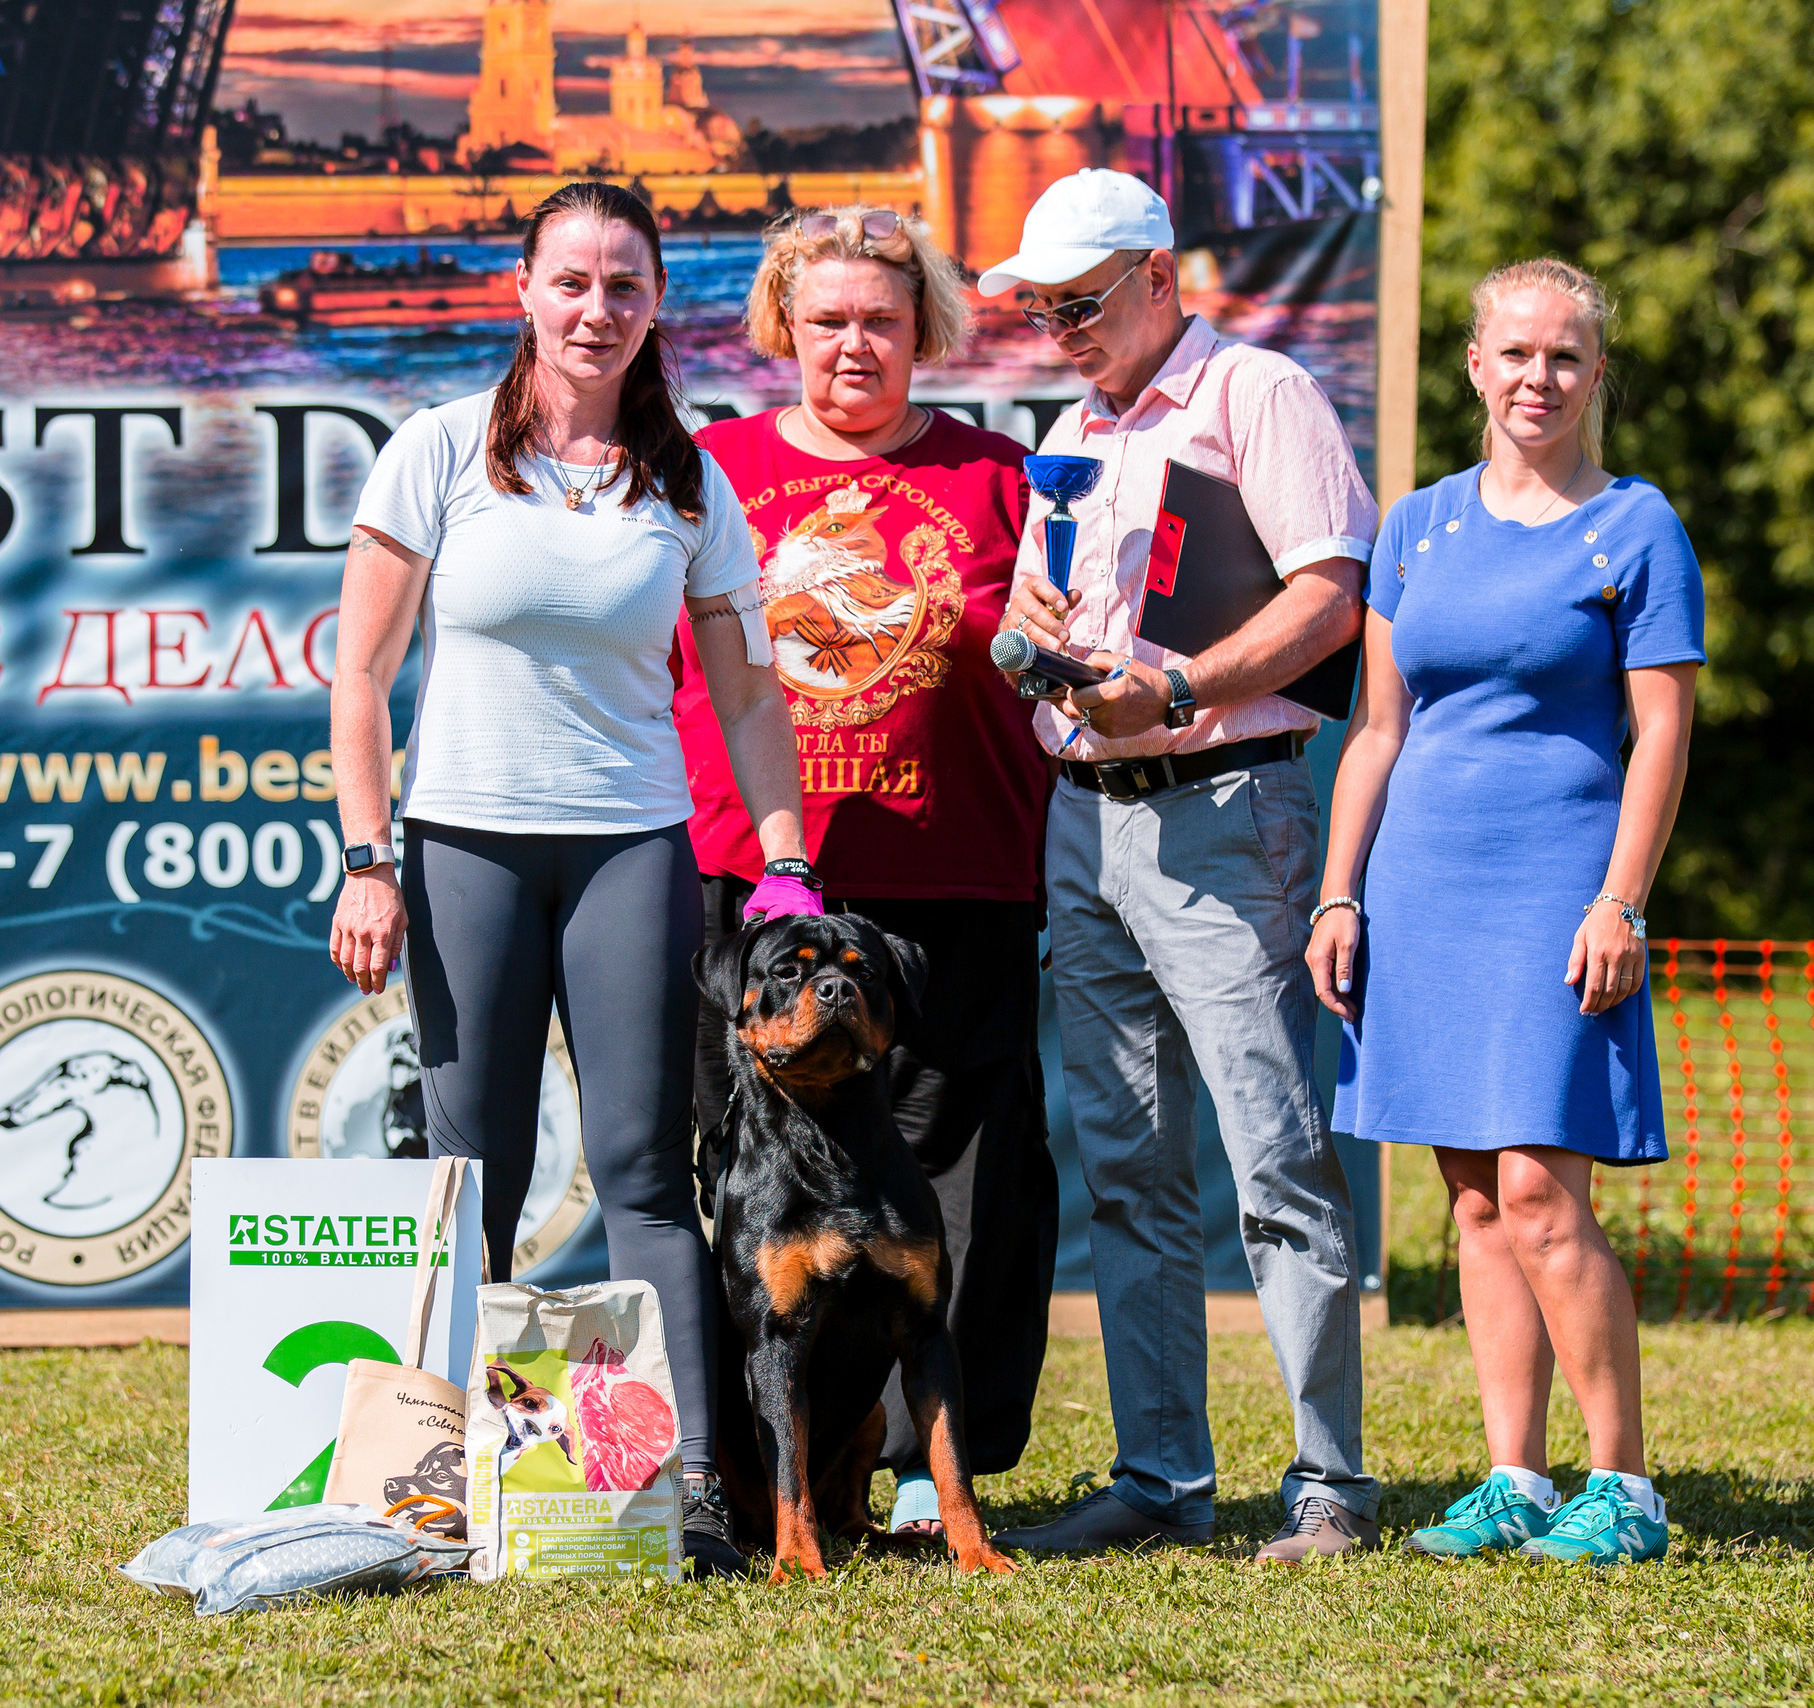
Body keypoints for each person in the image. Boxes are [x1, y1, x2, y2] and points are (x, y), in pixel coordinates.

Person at [325, 180, 823, 1580]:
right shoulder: (436, 450)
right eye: (571, 281)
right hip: (462, 845)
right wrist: (368, 860)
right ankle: (436, 1491)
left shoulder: (689, 481)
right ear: (525, 291)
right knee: (468, 1175)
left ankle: (689, 1488)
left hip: (631, 851)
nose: (595, 309)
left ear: (657, 307)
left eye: (624, 286)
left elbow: (749, 693)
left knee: (646, 1177)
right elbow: (359, 672)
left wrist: (786, 858)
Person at [980, 169, 1382, 1565]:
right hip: (1085, 819)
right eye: (1042, 310)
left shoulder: (1254, 392)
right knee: (1128, 1170)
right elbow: (1053, 622)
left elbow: (1331, 595)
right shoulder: (1076, 430)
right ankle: (1160, 1481)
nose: (1060, 330)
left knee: (1274, 1157)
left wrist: (1184, 687)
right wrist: (1032, 630)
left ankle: (1329, 1486)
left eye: (1080, 302)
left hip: (1222, 807)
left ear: (1160, 277)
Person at [1306, 257, 1703, 1567]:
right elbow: (1377, 730)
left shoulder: (1637, 526)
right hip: (1420, 887)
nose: (1541, 377)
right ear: (1474, 366)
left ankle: (1624, 1488)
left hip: (1558, 891)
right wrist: (1340, 891)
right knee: (1474, 1198)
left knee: (1540, 1187)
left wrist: (1621, 902)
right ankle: (1514, 1480)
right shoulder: (1414, 527)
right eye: (1517, 354)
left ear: (1597, 374)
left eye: (1566, 356)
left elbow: (1662, 736)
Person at [671, 205, 1059, 1541]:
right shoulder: (710, 471)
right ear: (784, 326)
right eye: (827, 319)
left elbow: (1062, 654)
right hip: (753, 883)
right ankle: (734, 1469)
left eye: (882, 321)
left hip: (959, 877)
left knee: (955, 1172)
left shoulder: (1007, 481)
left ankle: (920, 1476)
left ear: (925, 331)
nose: (854, 344)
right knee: (733, 1172)